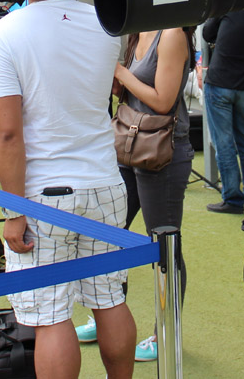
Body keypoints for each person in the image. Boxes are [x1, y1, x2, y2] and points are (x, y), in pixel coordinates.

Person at [0, 0, 136, 379]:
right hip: (105, 183)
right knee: (110, 299)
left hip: (42, 195)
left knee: (51, 318)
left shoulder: (3, 33)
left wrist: (13, 211)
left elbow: (7, 135)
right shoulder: (106, 24)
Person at [76, 24, 194, 362]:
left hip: (162, 151)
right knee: (110, 236)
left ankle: (165, 334)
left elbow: (162, 101)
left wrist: (119, 72)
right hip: (126, 142)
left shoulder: (171, 34)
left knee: (164, 246)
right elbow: (129, 94)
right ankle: (106, 319)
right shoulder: (135, 30)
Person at [200, 1, 244, 214]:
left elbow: (207, 33)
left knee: (224, 143)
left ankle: (232, 198)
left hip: (219, 81)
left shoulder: (228, 5)